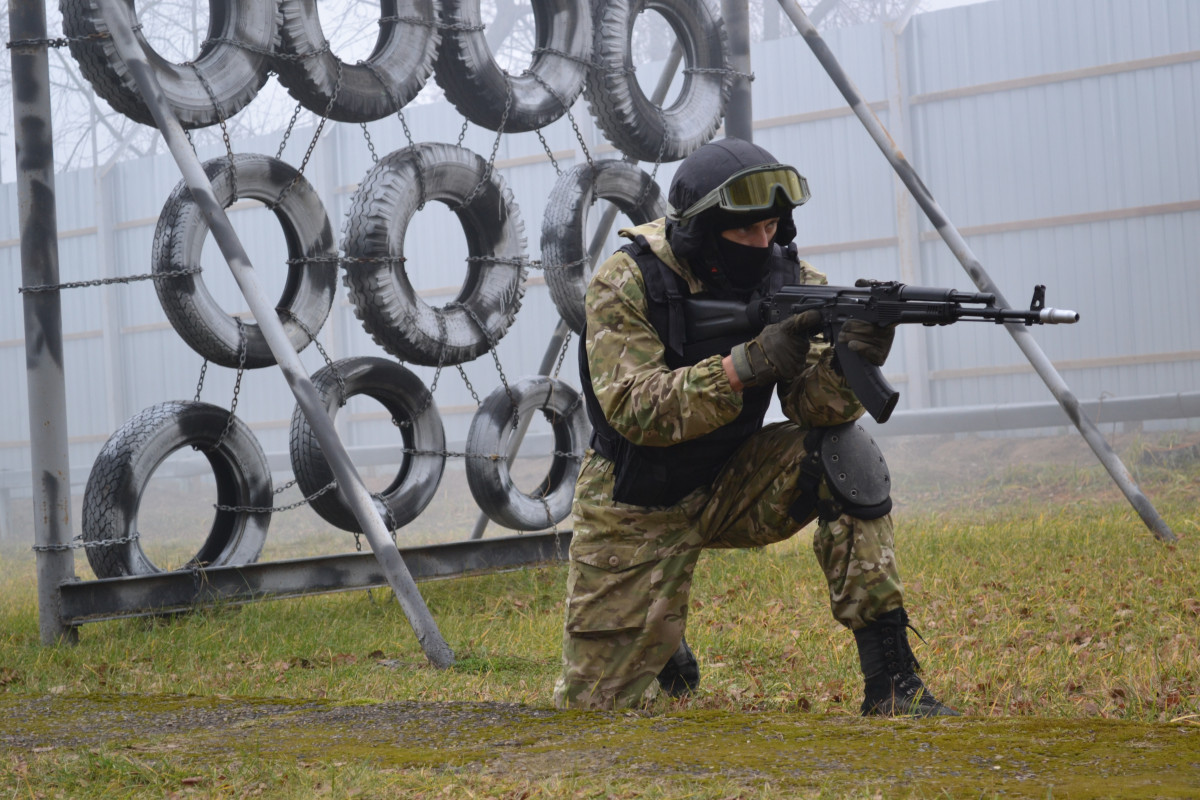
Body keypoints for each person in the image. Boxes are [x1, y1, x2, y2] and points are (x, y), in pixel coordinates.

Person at [552, 137, 958, 717]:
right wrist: (748, 365)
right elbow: (635, 410)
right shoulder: (627, 281)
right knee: (591, 714)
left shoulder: (790, 279)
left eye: (772, 227)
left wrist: (853, 358)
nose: (763, 243)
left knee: (844, 454)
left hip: (735, 481)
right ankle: (660, 632)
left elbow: (816, 411)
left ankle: (893, 682)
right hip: (635, 502)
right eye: (746, 230)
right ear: (701, 231)